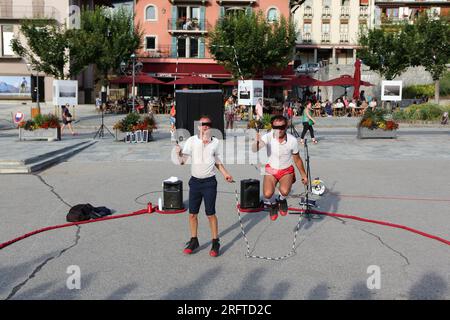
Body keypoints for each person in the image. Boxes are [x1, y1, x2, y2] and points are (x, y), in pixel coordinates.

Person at [176, 115, 234, 257]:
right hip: (195, 182)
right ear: (198, 126)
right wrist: (178, 153)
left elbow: (217, 161)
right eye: (203, 124)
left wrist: (226, 174)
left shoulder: (215, 142)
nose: (205, 126)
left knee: (210, 214)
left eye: (208, 124)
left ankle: (215, 242)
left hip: (209, 182)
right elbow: (183, 161)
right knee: (192, 214)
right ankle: (194, 240)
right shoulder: (192, 141)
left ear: (211, 126)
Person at [252, 115, 308, 221]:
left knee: (285, 191)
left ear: (286, 126)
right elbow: (255, 149)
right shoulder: (268, 137)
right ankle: (273, 205)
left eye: (282, 127)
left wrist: (303, 175)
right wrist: (257, 141)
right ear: (272, 127)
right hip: (271, 169)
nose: (279, 130)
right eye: (276, 127)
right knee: (267, 194)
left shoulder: (292, 140)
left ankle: (282, 200)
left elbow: (297, 159)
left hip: (286, 169)